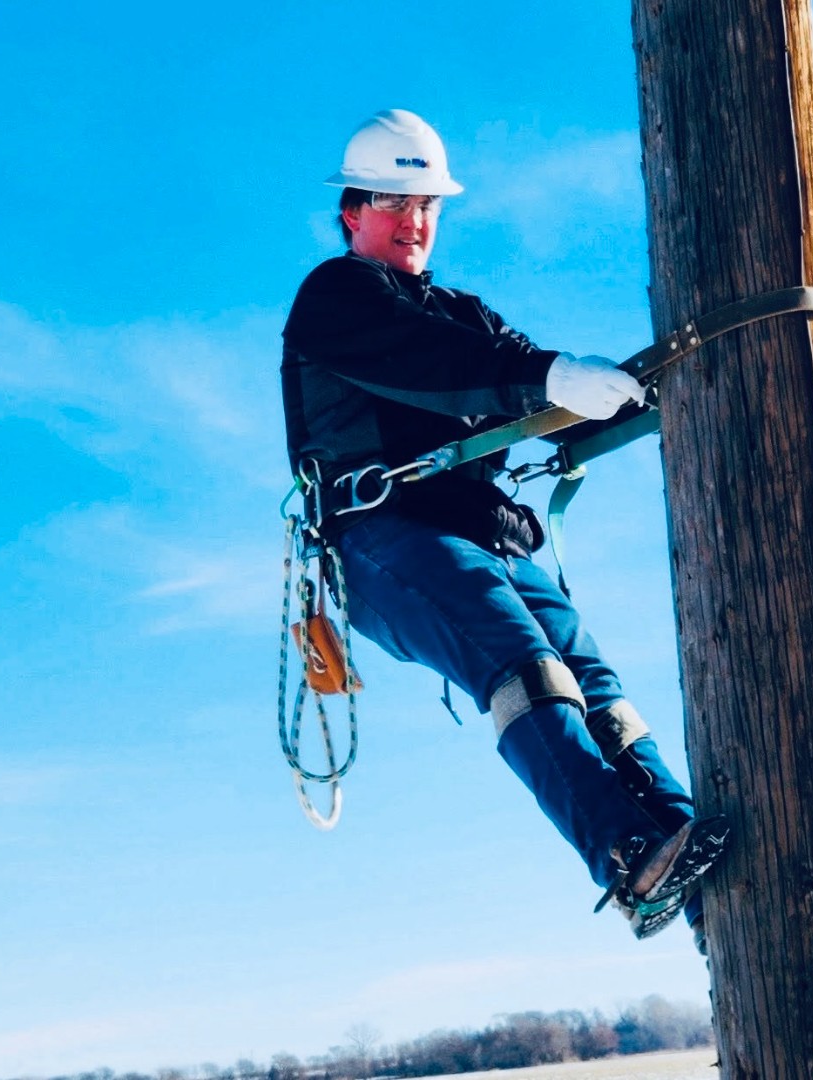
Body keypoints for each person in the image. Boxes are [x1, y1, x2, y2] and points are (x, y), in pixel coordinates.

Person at [280, 109, 727, 944]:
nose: (414, 220)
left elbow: (523, 383)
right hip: (391, 542)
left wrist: (632, 393)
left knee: (592, 682)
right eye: (393, 201)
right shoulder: (336, 299)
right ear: (353, 212)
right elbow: (442, 369)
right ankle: (628, 853)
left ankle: (682, 840)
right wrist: (542, 377)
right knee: (521, 664)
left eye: (426, 204)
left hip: (488, 533)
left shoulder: (462, 309)